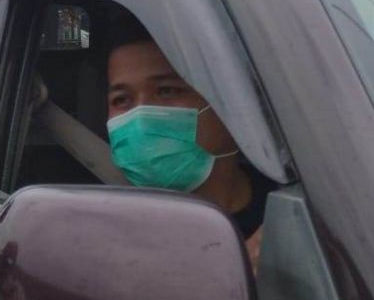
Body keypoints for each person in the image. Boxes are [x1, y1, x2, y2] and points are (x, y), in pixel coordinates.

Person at [104, 15, 273, 268]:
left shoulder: (292, 214)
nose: (140, 118)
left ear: (231, 104)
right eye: (121, 100)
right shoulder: (106, 235)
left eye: (166, 91)